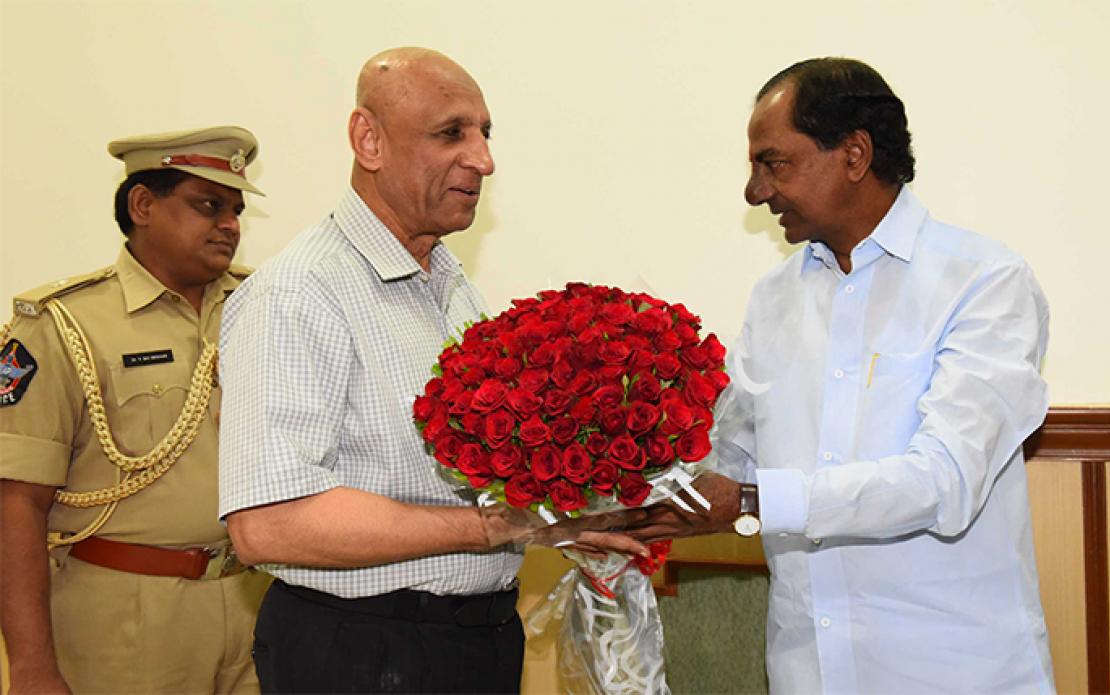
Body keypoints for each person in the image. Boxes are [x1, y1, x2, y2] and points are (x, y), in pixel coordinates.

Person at [217, 47, 645, 694]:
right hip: (361, 651)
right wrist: (499, 526)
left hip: (475, 642)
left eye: (484, 133)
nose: (483, 159)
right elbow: (269, 523)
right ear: (369, 140)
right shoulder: (299, 294)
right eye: (451, 132)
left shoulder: (449, 288)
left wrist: (570, 503)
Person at [629, 57, 1055, 693]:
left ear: (854, 154)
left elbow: (943, 481)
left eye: (773, 163)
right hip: (808, 671)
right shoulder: (774, 299)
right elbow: (727, 460)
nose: (755, 192)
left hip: (953, 672)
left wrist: (751, 501)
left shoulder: (984, 282)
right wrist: (607, 488)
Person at [0, 126, 271, 694]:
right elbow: (16, 502)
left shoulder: (264, 308)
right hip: (125, 618)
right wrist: (30, 666)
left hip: (256, 602)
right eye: (208, 205)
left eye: (236, 210)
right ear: (142, 204)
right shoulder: (60, 325)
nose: (230, 225)